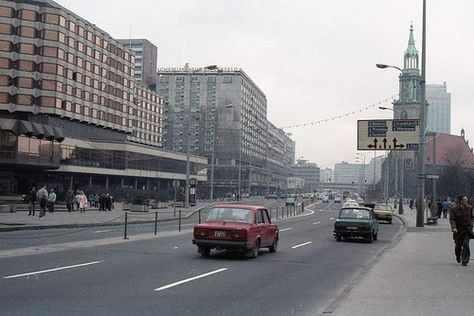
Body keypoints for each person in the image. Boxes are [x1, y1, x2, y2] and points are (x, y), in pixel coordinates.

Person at [449, 195, 474, 266]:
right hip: (458, 230)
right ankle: (458, 255)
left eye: (466, 200)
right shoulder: (454, 209)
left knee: (466, 244)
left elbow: (472, 218)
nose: (466, 201)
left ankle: (465, 260)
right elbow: (452, 219)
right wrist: (454, 227)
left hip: (467, 230)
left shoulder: (470, 208)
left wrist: (471, 225)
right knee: (458, 246)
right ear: (460, 201)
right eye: (465, 200)